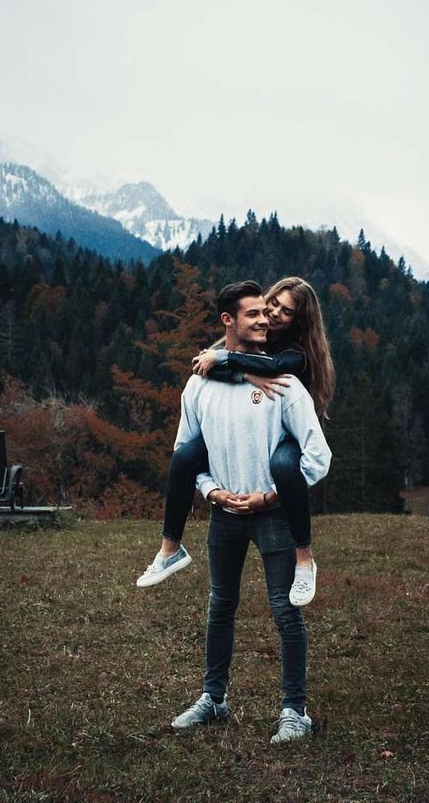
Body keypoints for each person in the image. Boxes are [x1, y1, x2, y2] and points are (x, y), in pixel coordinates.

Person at [166, 280, 331, 742]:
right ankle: (213, 699)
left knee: (285, 610)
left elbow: (318, 458)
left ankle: (295, 712)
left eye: (278, 312)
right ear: (231, 321)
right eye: (262, 309)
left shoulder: (287, 374)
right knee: (221, 605)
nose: (269, 317)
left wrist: (273, 497)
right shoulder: (204, 381)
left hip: (274, 511)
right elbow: (187, 453)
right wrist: (211, 492)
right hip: (225, 514)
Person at [136, 276, 335, 606]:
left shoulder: (296, 353)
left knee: (283, 465)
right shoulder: (257, 333)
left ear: (298, 321)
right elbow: (210, 363)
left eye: (286, 312)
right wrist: (244, 372)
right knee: (185, 456)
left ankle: (304, 558)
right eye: (273, 303)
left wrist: (235, 364)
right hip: (248, 431)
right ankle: (170, 548)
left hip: (283, 436)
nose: (273, 314)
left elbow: (266, 365)